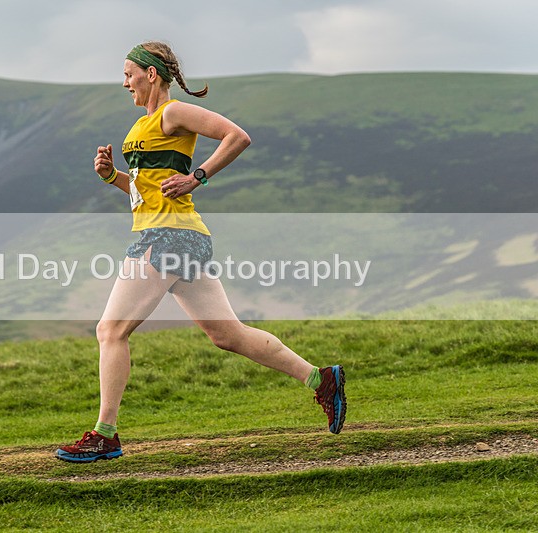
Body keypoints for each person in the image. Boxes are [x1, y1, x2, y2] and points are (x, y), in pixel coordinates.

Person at [56, 42, 345, 463]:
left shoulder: (173, 113)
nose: (124, 83)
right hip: (180, 234)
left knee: (110, 331)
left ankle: (106, 434)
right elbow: (150, 191)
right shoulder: (146, 122)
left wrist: (198, 177)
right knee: (228, 335)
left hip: (167, 237)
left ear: (150, 74)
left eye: (128, 74)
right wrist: (112, 176)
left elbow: (237, 136)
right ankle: (321, 380)